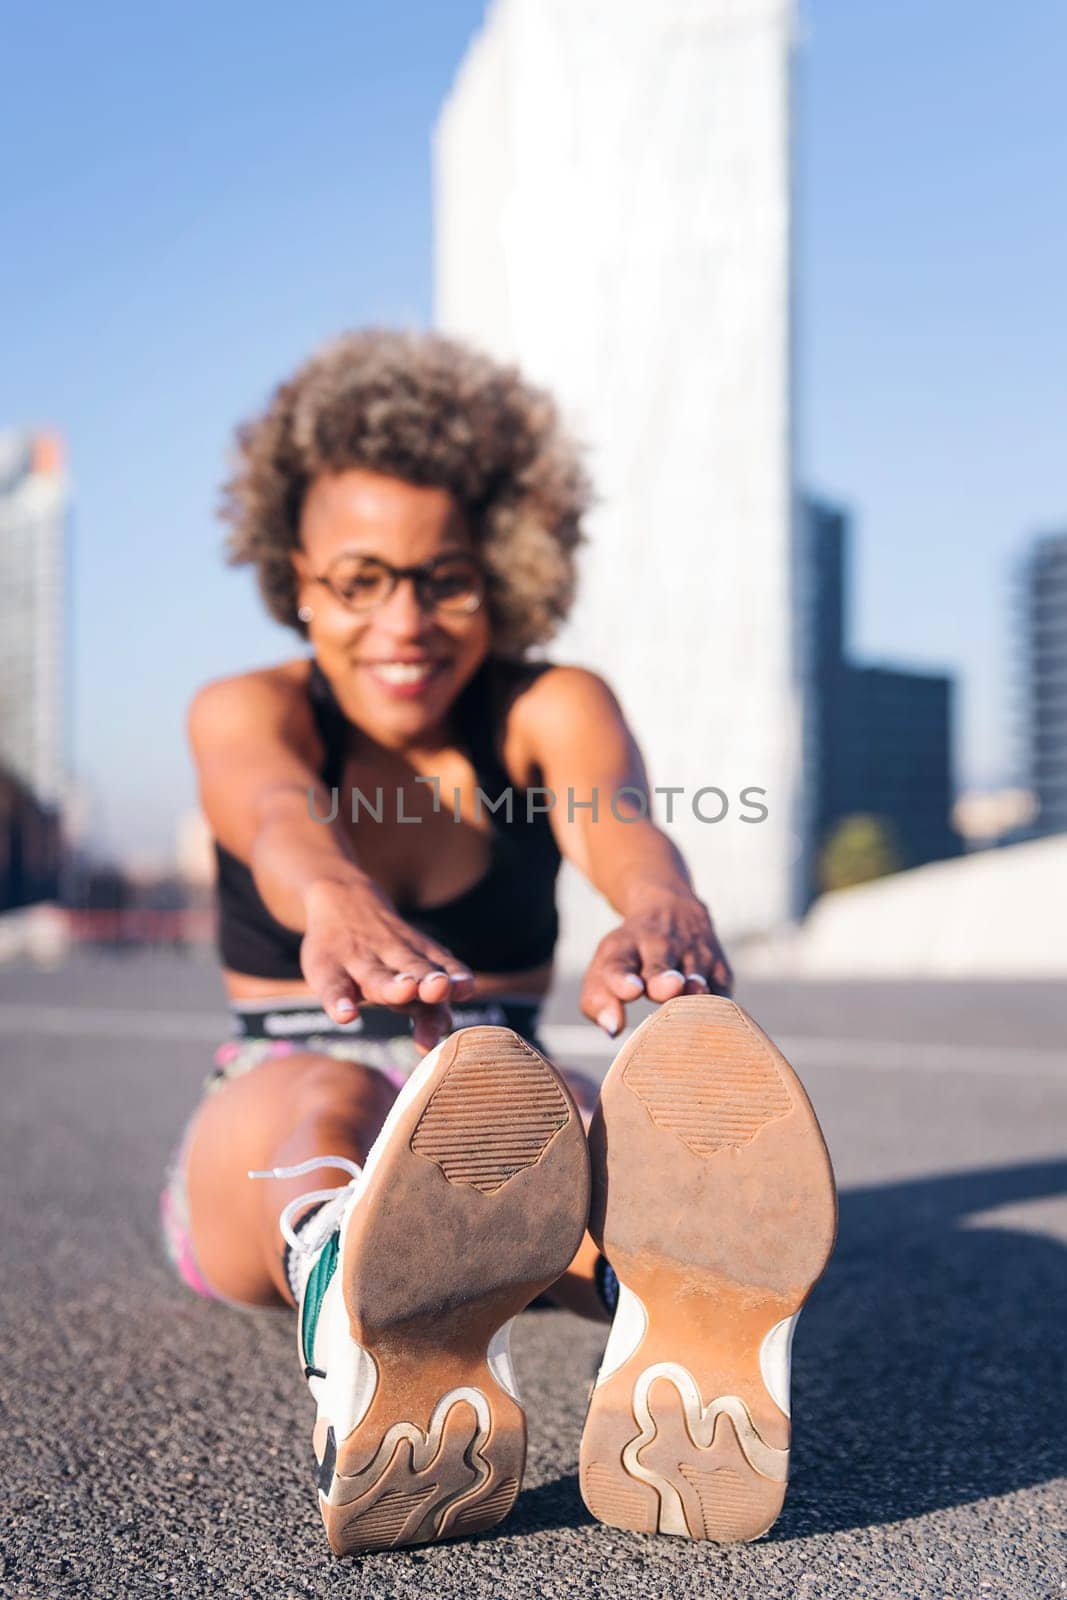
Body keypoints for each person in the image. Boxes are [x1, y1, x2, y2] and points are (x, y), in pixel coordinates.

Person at [161, 328, 836, 1557]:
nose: (402, 621)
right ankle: (348, 1295)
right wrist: (334, 899)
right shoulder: (247, 709)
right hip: (270, 1112)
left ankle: (666, 1316)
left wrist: (659, 908)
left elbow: (617, 828)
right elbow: (273, 816)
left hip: (493, 1096)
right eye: (358, 580)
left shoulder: (545, 708)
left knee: (584, 1124)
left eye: (446, 578)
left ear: (507, 574)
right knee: (321, 1095)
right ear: (294, 577)